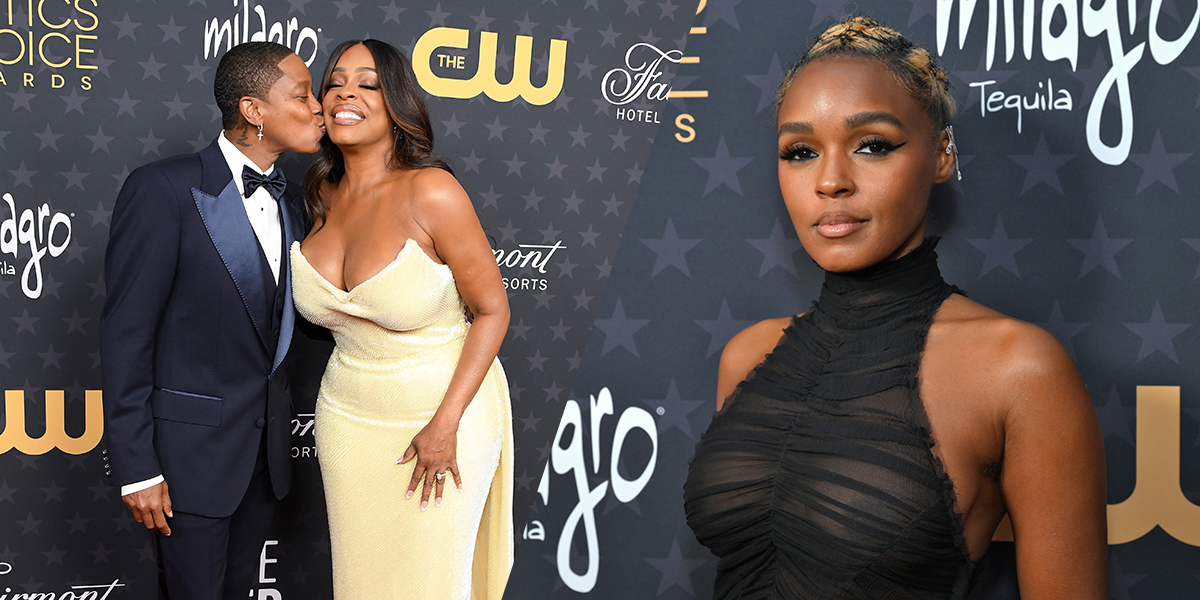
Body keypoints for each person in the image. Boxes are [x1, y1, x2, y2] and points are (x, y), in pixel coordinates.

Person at [683, 17, 1107, 599]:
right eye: (801, 151)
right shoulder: (748, 355)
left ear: (941, 156)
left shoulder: (1018, 368)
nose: (831, 181)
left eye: (873, 145)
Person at [290, 39, 513, 599]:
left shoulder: (431, 191)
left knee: (429, 584)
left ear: (396, 105)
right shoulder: (319, 192)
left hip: (441, 415)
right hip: (346, 417)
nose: (345, 92)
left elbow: (492, 310)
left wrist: (446, 424)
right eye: (335, 81)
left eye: (367, 84)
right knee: (362, 583)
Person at [100, 42, 324, 599]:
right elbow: (127, 338)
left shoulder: (297, 203)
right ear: (253, 110)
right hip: (185, 464)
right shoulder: (164, 189)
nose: (318, 106)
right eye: (302, 95)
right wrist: (137, 467)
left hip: (263, 461)